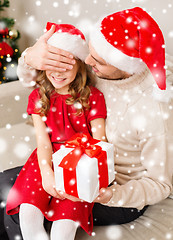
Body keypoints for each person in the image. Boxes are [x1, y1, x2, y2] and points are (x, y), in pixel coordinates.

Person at [1, 6, 173, 240]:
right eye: (90, 51)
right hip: (69, 161)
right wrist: (30, 57)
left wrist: (110, 194)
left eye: (98, 60)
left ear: (123, 65)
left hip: (116, 191)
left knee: (16, 210)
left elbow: (160, 185)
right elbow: (42, 83)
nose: (88, 60)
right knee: (4, 187)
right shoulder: (96, 69)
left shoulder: (153, 111)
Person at [5, 22, 108, 240]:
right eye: (53, 64)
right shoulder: (37, 97)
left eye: (66, 65)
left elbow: (100, 141)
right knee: (28, 215)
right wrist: (47, 174)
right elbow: (43, 143)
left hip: (80, 162)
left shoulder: (93, 97)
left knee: (64, 227)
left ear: (80, 65)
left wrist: (86, 176)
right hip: (44, 160)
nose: (57, 73)